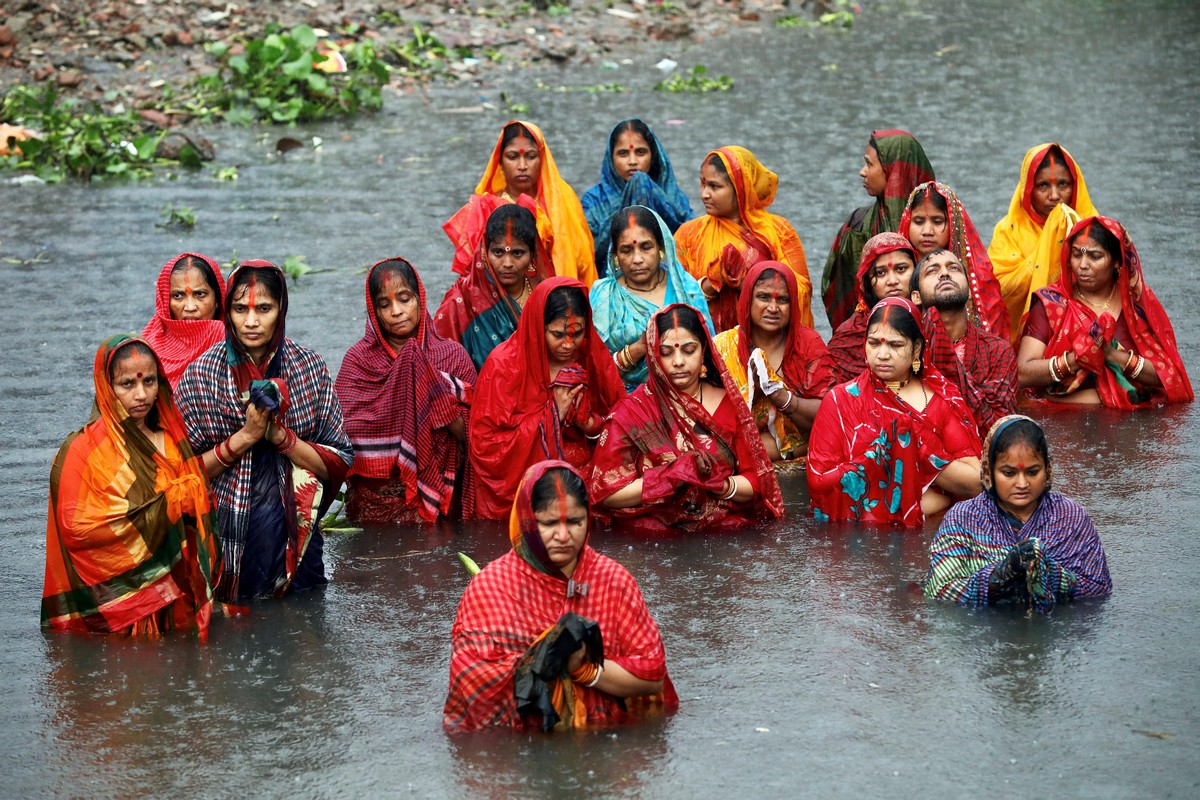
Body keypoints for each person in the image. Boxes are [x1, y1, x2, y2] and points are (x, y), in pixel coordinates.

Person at [444, 461, 676, 732]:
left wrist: (585, 670)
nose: (564, 536)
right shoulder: (491, 587)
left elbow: (652, 676)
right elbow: (471, 687)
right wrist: (541, 658)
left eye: (575, 522)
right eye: (549, 523)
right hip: (524, 752)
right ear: (527, 521)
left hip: (603, 740)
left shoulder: (613, 580)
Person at [175, 260, 352, 602]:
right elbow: (179, 477)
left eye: (264, 309)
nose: (251, 322)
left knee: (303, 625)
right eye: (240, 309)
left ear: (281, 310)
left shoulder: (309, 369)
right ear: (226, 312)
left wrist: (278, 437)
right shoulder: (201, 376)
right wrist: (245, 438)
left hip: (299, 541)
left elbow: (339, 458)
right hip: (222, 537)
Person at [42, 334, 220, 638]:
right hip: (119, 608)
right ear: (106, 387)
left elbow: (197, 502)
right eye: (128, 384)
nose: (141, 395)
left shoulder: (172, 439)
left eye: (149, 381)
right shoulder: (81, 451)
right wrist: (171, 503)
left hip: (175, 598)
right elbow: (76, 530)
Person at [589, 303, 784, 532]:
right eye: (666, 352)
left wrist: (721, 485)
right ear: (653, 355)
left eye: (689, 350)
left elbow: (758, 482)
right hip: (651, 537)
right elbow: (605, 492)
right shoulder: (633, 412)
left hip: (721, 534)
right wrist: (671, 477)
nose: (678, 361)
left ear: (704, 352)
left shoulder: (730, 406)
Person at [808, 297, 982, 526]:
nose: (882, 354)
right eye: (874, 343)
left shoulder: (942, 401)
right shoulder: (840, 401)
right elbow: (819, 483)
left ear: (916, 347)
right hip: (858, 540)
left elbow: (977, 483)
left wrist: (915, 450)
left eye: (895, 345)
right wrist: (893, 451)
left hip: (934, 535)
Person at [469, 277, 625, 519]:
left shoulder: (591, 357)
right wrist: (553, 415)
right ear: (537, 327)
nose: (568, 344)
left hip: (586, 466)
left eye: (578, 333)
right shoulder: (503, 366)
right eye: (557, 334)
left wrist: (588, 424)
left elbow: (621, 420)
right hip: (527, 475)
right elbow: (485, 446)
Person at [335, 258, 476, 524]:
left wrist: (432, 393)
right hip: (375, 505)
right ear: (374, 311)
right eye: (385, 305)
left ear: (420, 298)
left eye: (404, 299)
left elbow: (476, 436)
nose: (397, 311)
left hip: (441, 496)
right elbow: (342, 438)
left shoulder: (452, 356)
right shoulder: (358, 361)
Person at [925, 415, 1112, 612]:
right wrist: (1000, 575)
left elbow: (1099, 589)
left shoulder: (1070, 517)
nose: (1022, 484)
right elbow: (940, 592)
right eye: (1009, 473)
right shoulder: (963, 518)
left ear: (1047, 471)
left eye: (1032, 472)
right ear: (988, 472)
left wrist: (1050, 571)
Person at [1015, 216, 1192, 407]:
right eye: (1076, 254)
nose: (1083, 265)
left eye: (1095, 256)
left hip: (1131, 422)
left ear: (1118, 261)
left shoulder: (1137, 302)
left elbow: (1170, 376)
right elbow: (1022, 374)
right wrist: (1076, 359)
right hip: (1064, 419)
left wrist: (1112, 355)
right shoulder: (1051, 303)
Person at [674, 146, 812, 332]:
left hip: (768, 340)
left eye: (715, 186)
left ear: (741, 188)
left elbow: (801, 291)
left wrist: (747, 283)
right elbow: (674, 297)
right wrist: (713, 282)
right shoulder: (688, 234)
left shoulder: (779, 231)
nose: (704, 194)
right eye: (703, 184)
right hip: (706, 346)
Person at [443, 120, 596, 285]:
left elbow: (583, 262)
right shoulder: (483, 209)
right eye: (513, 157)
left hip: (553, 298)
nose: (522, 166)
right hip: (498, 300)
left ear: (542, 159)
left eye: (530, 156)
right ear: (500, 162)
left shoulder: (562, 201)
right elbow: (472, 277)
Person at [713, 261, 835, 461]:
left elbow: (832, 412)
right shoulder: (724, 346)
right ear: (747, 300)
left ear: (793, 305)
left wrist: (783, 399)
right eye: (763, 297)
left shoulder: (808, 345)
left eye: (783, 300)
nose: (773, 307)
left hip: (800, 448)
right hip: (737, 444)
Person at [821, 129, 935, 330]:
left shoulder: (935, 227)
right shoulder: (857, 226)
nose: (862, 171)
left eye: (869, 164)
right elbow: (840, 296)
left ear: (894, 172)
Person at [590, 205, 712, 391]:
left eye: (646, 247)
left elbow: (709, 351)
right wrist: (637, 349)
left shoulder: (685, 288)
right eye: (626, 250)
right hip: (625, 402)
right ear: (615, 255)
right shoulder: (604, 296)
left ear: (661, 248)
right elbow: (593, 371)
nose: (637, 259)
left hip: (688, 396)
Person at [989, 143, 1099, 345]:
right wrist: (1050, 245)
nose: (1055, 196)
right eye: (1043, 186)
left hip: (1086, 336)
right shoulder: (1008, 230)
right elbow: (997, 290)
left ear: (1075, 187)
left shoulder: (1094, 228)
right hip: (1022, 343)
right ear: (1028, 189)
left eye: (1063, 184)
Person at [912, 248, 1018, 439]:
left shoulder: (997, 351)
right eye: (932, 271)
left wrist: (947, 358)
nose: (944, 273)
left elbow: (1000, 432)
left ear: (969, 292)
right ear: (916, 297)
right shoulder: (906, 349)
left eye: (953, 268)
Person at [434, 203, 554, 370]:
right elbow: (438, 362)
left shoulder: (547, 295)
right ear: (485, 251)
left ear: (532, 254)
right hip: (482, 393)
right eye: (498, 252)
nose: (507, 263)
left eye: (517, 253)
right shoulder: (460, 302)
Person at [898, 181, 1009, 341]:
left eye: (937, 221)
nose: (927, 231)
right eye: (919, 221)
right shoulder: (896, 274)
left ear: (953, 223)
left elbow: (996, 338)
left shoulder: (979, 279)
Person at [581, 119, 693, 275]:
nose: (632, 161)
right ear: (611, 158)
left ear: (653, 156)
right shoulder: (594, 201)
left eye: (640, 152)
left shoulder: (674, 198)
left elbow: (691, 245)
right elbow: (585, 254)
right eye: (623, 153)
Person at [827, 231, 917, 385]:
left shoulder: (931, 319)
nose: (892, 281)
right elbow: (837, 397)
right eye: (880, 273)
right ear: (866, 281)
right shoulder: (850, 335)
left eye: (901, 269)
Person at [141, 252, 226, 388]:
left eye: (200, 294)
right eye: (178, 295)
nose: (190, 307)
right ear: (165, 302)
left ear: (217, 299)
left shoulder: (232, 342)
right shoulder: (146, 348)